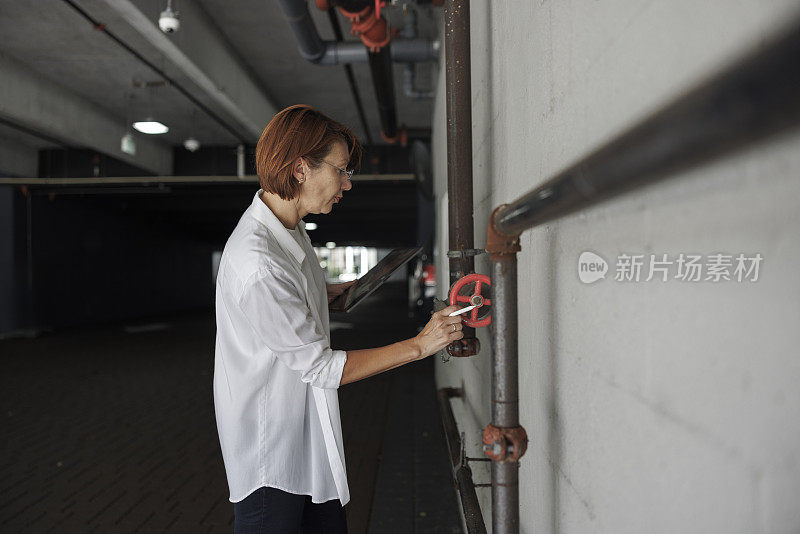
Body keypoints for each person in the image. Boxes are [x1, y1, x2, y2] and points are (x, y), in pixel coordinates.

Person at [213, 104, 463, 533]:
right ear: (300, 169)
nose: (347, 184)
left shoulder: (288, 227)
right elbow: (322, 368)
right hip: (270, 453)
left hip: (304, 437)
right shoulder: (259, 263)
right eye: (341, 171)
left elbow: (291, 302)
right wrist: (420, 345)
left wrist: (329, 294)